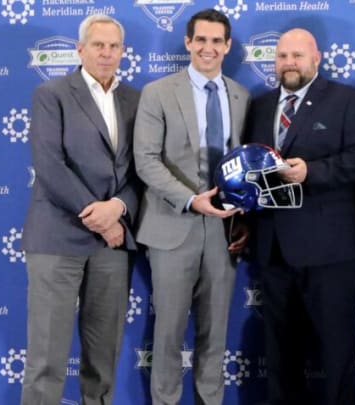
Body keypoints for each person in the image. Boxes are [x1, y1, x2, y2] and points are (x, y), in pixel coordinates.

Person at [243, 28, 355, 405]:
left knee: (336, 351)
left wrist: (311, 173)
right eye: (283, 56)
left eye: (298, 56)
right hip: (273, 250)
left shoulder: (347, 99)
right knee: (280, 354)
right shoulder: (261, 105)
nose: (289, 63)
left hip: (331, 252)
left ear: (316, 58)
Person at [20, 14, 141, 405]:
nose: (106, 54)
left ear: (123, 52)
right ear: (80, 49)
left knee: (103, 357)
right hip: (58, 238)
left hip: (114, 245)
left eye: (113, 47)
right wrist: (102, 218)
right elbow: (50, 164)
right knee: (46, 360)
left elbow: (144, 169)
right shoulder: (51, 93)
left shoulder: (135, 99)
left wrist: (120, 207)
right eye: (98, 46)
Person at [133, 8, 250, 405]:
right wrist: (189, 199)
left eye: (217, 41)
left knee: (215, 333)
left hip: (224, 231)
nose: (208, 48)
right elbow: (146, 160)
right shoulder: (158, 92)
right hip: (172, 227)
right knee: (167, 334)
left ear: (228, 46)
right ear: (187, 42)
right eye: (201, 39)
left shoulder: (241, 95)